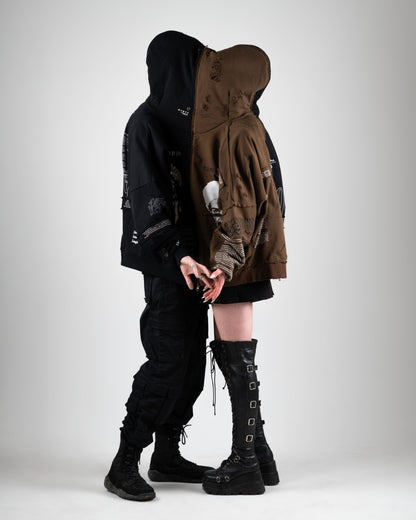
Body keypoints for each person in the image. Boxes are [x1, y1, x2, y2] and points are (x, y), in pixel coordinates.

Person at [104, 32, 215, 502]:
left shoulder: (191, 123)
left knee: (192, 362)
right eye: (195, 67)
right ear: (175, 70)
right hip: (167, 258)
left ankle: (167, 455)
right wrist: (177, 252)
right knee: (167, 359)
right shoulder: (145, 122)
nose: (202, 76)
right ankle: (124, 462)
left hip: (195, 261)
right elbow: (147, 194)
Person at [188, 44, 288, 495]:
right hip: (237, 255)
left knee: (237, 357)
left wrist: (225, 264)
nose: (208, 79)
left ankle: (245, 463)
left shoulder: (236, 131)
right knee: (236, 356)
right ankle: (260, 456)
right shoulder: (247, 125)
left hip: (232, 259)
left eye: (218, 72)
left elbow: (243, 204)